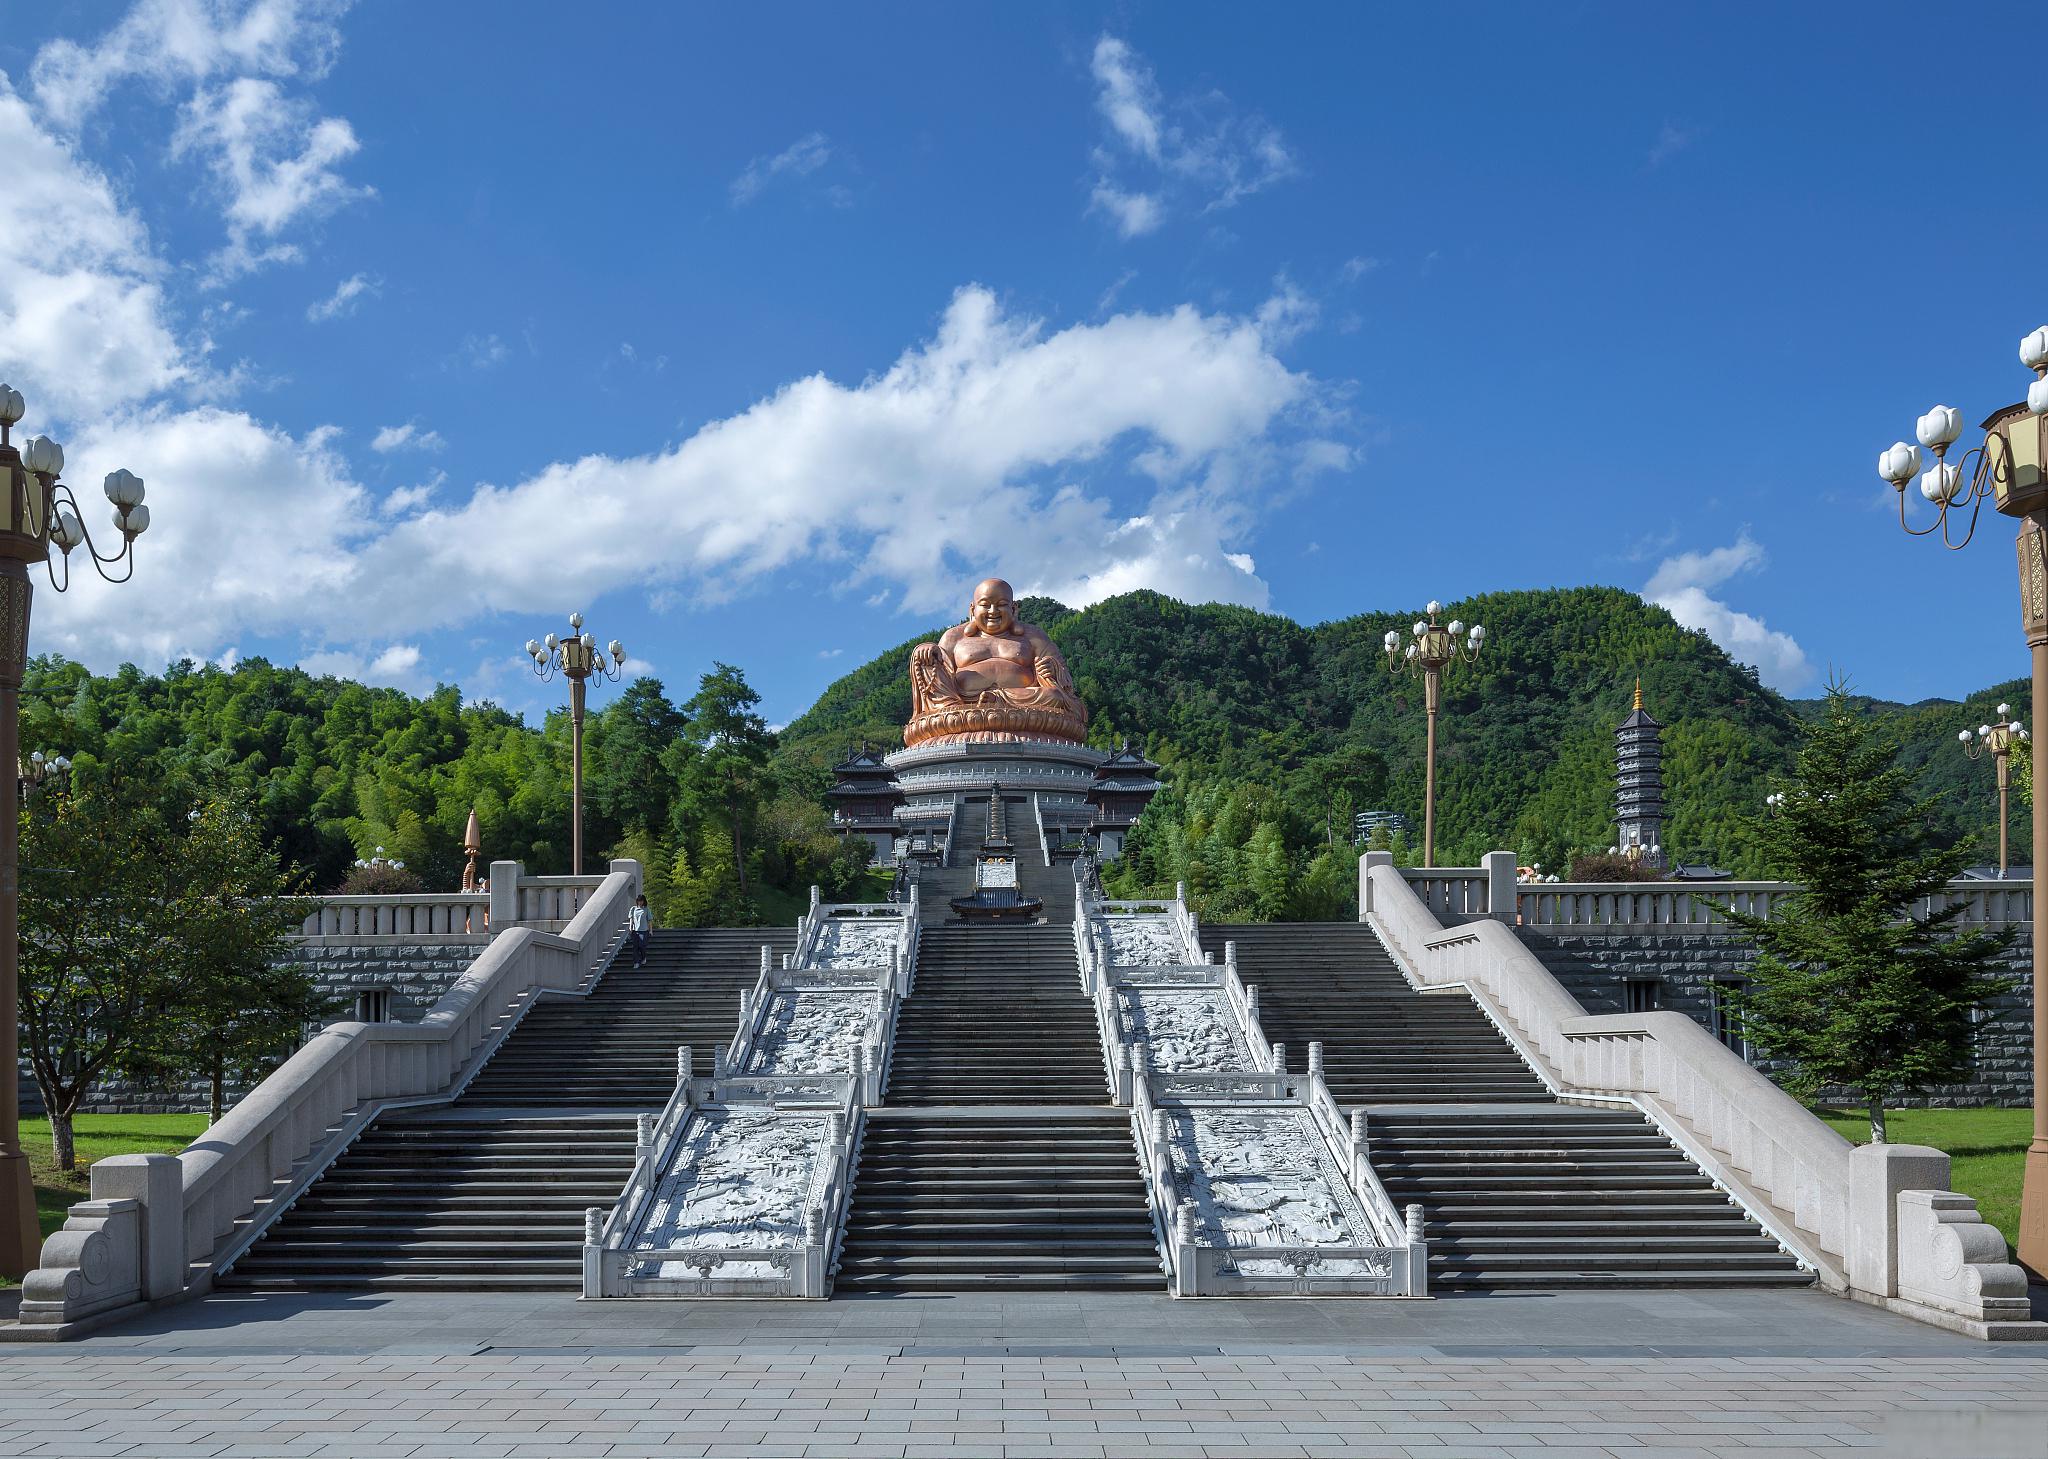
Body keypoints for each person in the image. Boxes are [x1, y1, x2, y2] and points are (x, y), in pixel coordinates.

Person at [627, 894, 651, 969]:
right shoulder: (633, 909)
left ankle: (643, 958)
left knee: (642, 946)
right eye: (639, 901)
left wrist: (651, 930)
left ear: (644, 901)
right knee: (635, 947)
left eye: (641, 901)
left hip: (644, 931)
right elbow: (631, 919)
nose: (640, 902)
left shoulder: (646, 909)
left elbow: (650, 920)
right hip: (635, 930)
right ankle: (636, 962)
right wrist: (630, 927)